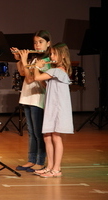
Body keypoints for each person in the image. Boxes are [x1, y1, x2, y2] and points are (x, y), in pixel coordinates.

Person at [10, 30, 52, 172]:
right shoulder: (35, 59)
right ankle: (31, 159)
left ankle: (40, 161)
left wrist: (24, 60)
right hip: (28, 97)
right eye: (35, 42)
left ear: (48, 44)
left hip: (38, 99)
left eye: (41, 42)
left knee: (38, 132)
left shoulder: (46, 61)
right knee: (31, 132)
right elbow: (23, 73)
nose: (37, 45)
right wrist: (18, 59)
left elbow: (30, 78)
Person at [33, 42, 74, 178]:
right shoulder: (54, 71)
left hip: (58, 107)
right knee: (47, 136)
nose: (51, 56)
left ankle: (57, 168)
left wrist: (36, 67)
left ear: (62, 56)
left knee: (56, 136)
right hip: (52, 106)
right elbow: (45, 84)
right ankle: (50, 166)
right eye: (50, 53)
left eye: (54, 53)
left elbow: (37, 77)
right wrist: (41, 69)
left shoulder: (58, 70)